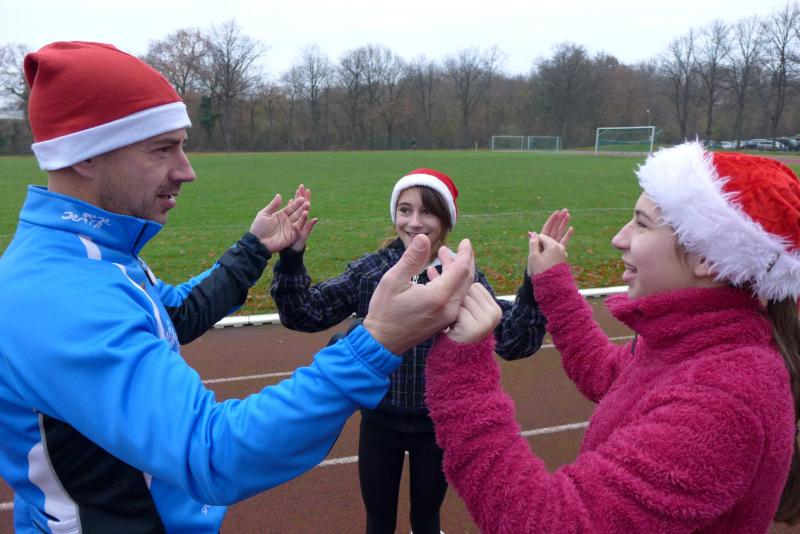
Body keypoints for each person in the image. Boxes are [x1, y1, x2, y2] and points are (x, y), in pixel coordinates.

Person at [0, 41, 479, 534]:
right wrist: (376, 343)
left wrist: (254, 249)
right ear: (85, 155)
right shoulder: (59, 297)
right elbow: (212, 451)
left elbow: (177, 314)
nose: (186, 170)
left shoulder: (97, 257)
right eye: (162, 148)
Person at [424, 141, 800, 532]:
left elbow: (546, 524)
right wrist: (552, 281)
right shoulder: (694, 341)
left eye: (642, 224)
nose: (619, 239)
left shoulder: (722, 401)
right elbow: (606, 374)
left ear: (707, 258)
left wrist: (462, 371)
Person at [271, 168, 551, 534]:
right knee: (379, 522)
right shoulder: (372, 272)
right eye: (405, 210)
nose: (414, 222)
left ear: (446, 220)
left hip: (436, 426)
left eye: (427, 211)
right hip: (379, 422)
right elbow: (304, 313)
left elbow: (516, 341)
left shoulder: (460, 276)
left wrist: (535, 281)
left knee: (426, 519)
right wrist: (292, 256)